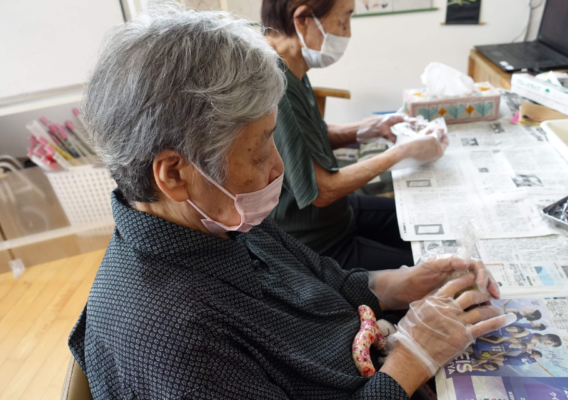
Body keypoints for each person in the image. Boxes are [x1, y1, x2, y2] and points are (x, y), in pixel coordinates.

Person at [67, 6, 509, 399]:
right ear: (174, 174)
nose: (278, 168)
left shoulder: (220, 219)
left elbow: (321, 278)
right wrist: (413, 357)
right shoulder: (178, 343)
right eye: (259, 151)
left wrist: (399, 284)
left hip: (366, 352)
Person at [261, 0, 448, 270]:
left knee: (432, 220)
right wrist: (403, 151)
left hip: (337, 214)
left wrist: (366, 129)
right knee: (444, 275)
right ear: (302, 20)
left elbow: (310, 137)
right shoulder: (276, 86)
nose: (346, 33)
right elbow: (322, 190)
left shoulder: (290, 64)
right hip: (315, 243)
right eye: (343, 21)